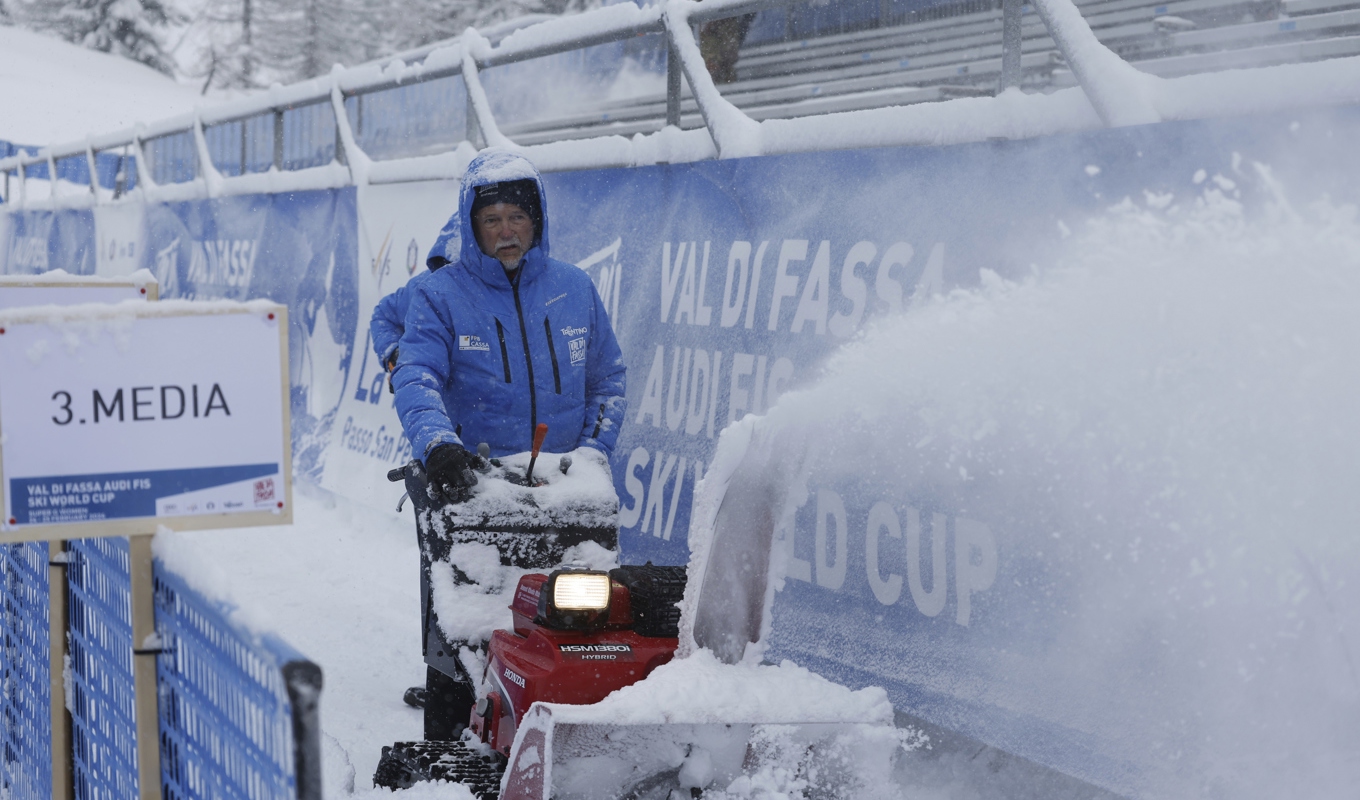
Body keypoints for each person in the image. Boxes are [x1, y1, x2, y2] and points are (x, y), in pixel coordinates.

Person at [391, 148, 627, 739]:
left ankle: (573, 738)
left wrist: (594, 453)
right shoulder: (439, 295)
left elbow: (608, 381)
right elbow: (415, 376)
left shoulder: (576, 287)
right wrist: (438, 444)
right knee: (467, 627)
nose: (506, 231)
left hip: (565, 486)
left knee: (577, 621)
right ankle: (450, 748)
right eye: (491, 220)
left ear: (536, 221)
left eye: (516, 218)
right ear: (472, 227)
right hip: (473, 484)